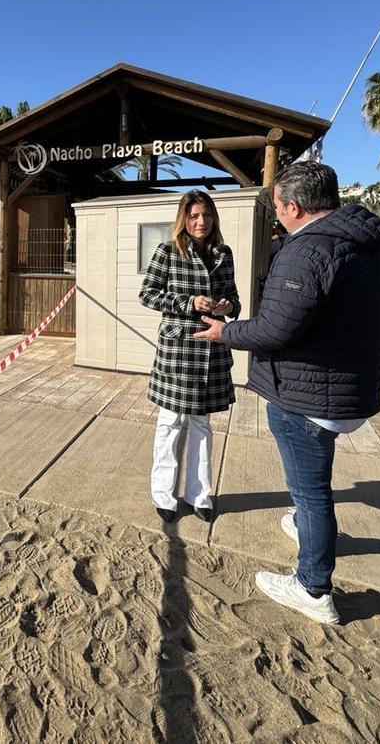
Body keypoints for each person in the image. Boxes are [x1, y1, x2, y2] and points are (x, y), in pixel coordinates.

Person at [195, 162, 380, 623]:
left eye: (278, 207)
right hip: (348, 387)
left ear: (294, 205)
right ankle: (307, 530)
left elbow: (275, 328)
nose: (277, 217)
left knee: (311, 493)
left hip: (308, 395)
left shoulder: (308, 250)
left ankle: (313, 587)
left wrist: (225, 332)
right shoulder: (372, 243)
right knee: (312, 490)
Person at [139, 190, 240, 524]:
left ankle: (200, 494)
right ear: (183, 218)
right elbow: (147, 295)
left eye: (207, 216)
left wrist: (228, 306)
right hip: (178, 350)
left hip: (212, 349)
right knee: (170, 423)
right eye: (195, 216)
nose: (201, 222)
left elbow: (235, 299)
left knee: (202, 424)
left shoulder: (223, 253)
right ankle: (163, 494)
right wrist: (188, 303)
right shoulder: (167, 251)